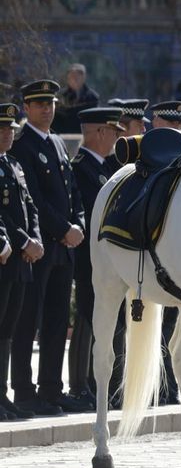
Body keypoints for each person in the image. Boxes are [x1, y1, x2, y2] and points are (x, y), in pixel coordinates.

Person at [9, 80, 88, 416]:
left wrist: (80, 224)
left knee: (57, 320)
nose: (47, 109)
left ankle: (51, 389)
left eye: (51, 103)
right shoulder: (22, 144)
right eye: (39, 103)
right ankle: (25, 392)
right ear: (26, 107)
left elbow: (72, 194)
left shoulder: (57, 142)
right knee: (28, 321)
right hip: (40, 246)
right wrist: (63, 229)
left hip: (64, 248)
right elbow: (34, 200)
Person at [66, 107, 124, 405]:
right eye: (114, 131)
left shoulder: (107, 167)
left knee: (104, 318)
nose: (117, 137)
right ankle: (80, 384)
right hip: (91, 257)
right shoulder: (81, 168)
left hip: (110, 260)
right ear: (99, 132)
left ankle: (97, 382)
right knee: (89, 316)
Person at [0, 103, 45, 421]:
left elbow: (29, 206)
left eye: (10, 130)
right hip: (6, 256)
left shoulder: (14, 164)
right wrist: (22, 241)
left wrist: (36, 238)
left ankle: (2, 395)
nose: (7, 135)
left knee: (8, 331)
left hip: (21, 261)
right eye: (1, 130)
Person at [55, 64, 99, 135]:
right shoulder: (61, 96)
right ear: (68, 79)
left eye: (77, 77)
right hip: (64, 135)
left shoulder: (92, 97)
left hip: (85, 135)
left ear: (83, 78)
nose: (74, 80)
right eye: (72, 77)